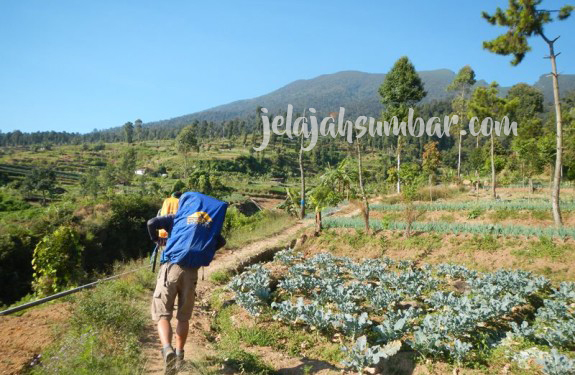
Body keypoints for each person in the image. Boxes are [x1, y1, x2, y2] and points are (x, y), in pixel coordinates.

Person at [147, 192, 227, 375]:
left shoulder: (177, 217)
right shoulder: (207, 223)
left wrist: (160, 241)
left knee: (163, 314)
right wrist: (205, 250)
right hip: (191, 272)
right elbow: (221, 241)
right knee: (183, 317)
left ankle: (167, 350)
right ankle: (180, 354)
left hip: (171, 267)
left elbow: (151, 223)